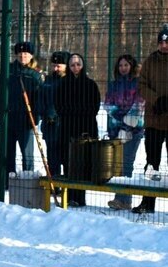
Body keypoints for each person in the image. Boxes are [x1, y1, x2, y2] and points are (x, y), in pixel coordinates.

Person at [0, 41, 44, 182]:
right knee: (7, 153)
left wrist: (36, 117)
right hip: (8, 118)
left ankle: (28, 182)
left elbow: (40, 98)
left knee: (27, 154)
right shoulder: (7, 70)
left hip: (26, 120)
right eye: (20, 53)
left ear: (31, 55)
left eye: (26, 53)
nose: (22, 56)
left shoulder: (35, 75)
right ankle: (7, 182)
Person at [54, 52, 101, 207]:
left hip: (85, 129)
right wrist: (73, 112)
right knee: (67, 162)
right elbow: (59, 106)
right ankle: (68, 197)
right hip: (67, 129)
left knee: (83, 163)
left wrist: (75, 112)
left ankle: (80, 198)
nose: (75, 67)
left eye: (78, 64)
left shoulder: (91, 85)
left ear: (83, 65)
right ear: (69, 66)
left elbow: (94, 107)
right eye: (72, 64)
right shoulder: (62, 84)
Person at [133, 24, 168, 214]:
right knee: (151, 163)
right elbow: (142, 85)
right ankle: (148, 202)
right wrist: (157, 100)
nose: (164, 45)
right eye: (161, 42)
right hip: (154, 119)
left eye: (167, 42)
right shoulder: (149, 62)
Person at [104, 54, 144, 210]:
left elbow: (139, 105)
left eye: (126, 65)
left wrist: (128, 123)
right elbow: (108, 104)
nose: (123, 68)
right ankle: (120, 199)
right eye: (120, 65)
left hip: (134, 129)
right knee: (117, 164)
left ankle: (124, 199)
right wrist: (121, 118)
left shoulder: (138, 83)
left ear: (131, 66)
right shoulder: (113, 85)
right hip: (116, 129)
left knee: (127, 163)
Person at [37, 51, 69, 177]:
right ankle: (54, 186)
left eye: (59, 66)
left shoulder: (69, 82)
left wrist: (53, 112)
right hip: (49, 128)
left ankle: (68, 189)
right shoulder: (48, 81)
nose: (55, 68)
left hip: (65, 128)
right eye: (54, 65)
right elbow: (40, 100)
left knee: (67, 159)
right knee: (52, 160)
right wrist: (43, 112)